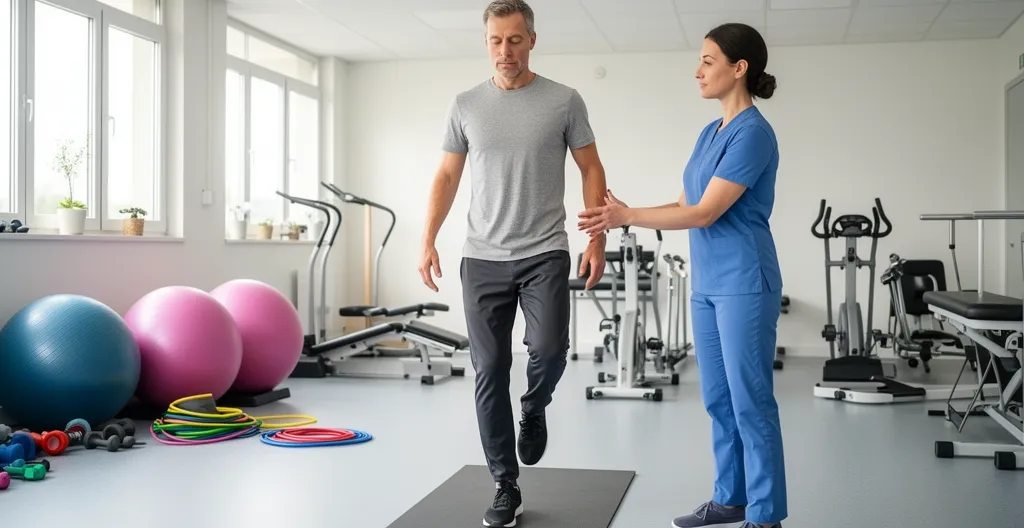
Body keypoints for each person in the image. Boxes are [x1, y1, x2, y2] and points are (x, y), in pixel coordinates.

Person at [576, 22, 787, 528]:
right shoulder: (708, 132)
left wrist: (628, 218)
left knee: (750, 400)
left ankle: (765, 515)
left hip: (744, 281)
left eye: (708, 61)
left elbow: (706, 213)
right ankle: (730, 498)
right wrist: (625, 212)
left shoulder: (754, 133)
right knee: (717, 398)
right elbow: (686, 203)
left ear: (740, 69)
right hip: (708, 283)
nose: (698, 71)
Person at [417, 1, 609, 526]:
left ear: (532, 40)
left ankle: (534, 405)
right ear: (486, 43)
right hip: (481, 258)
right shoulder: (465, 105)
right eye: (497, 41)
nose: (506, 51)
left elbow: (591, 167)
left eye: (516, 40)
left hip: (545, 249)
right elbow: (447, 179)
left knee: (548, 351)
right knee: (489, 371)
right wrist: (428, 238)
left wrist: (595, 238)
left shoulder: (564, 101)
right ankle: (505, 484)